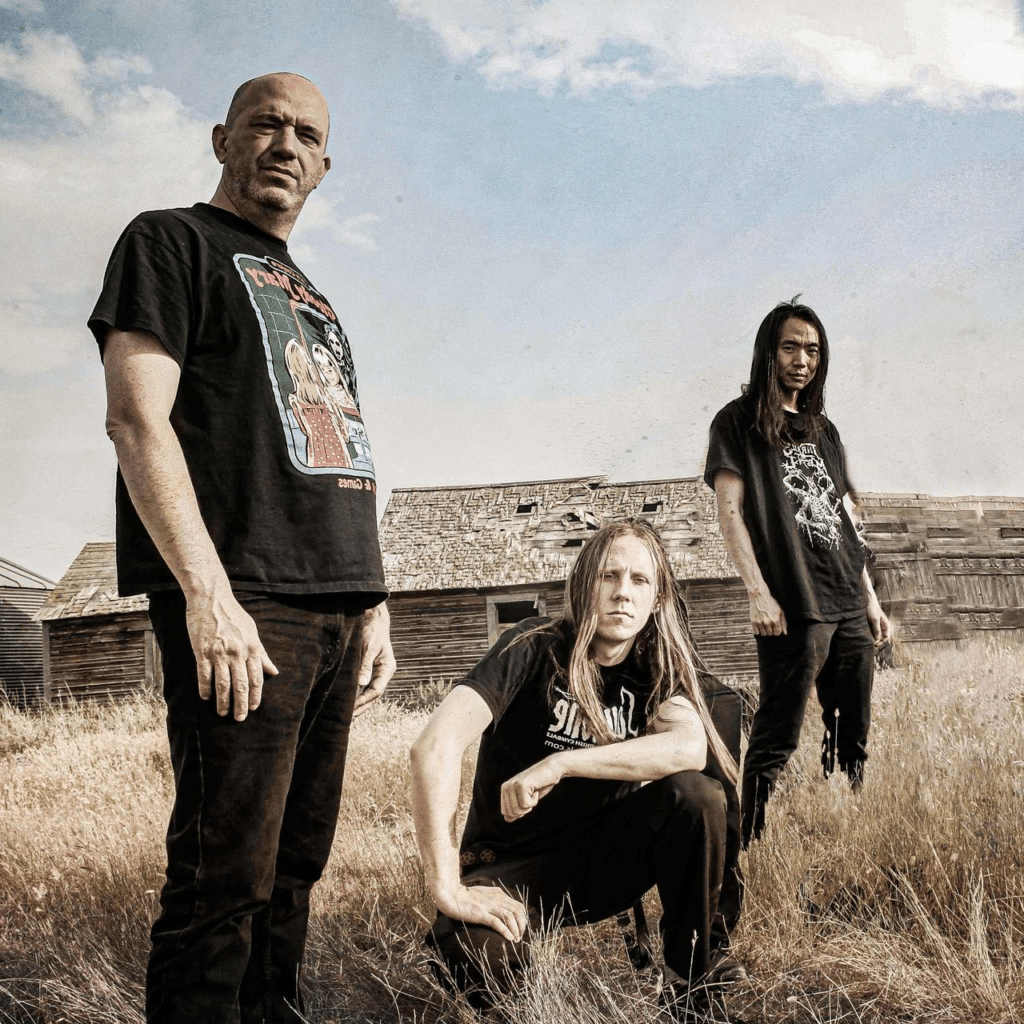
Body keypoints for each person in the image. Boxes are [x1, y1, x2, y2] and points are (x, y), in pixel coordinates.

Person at [89, 72, 395, 1024]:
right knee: (225, 877)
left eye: (307, 134)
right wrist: (206, 597)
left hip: (336, 607)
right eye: (266, 124)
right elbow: (138, 423)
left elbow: (337, 443)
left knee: (295, 871)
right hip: (248, 604)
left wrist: (371, 600)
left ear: (325, 166)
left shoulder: (313, 294)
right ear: (223, 138)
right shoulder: (168, 241)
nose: (286, 145)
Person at [410, 519, 745, 1022]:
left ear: (657, 599)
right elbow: (433, 747)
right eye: (609, 576)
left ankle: (691, 984)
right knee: (478, 964)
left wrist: (563, 763)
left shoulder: (656, 664)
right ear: (583, 582)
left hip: (602, 861)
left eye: (639, 581)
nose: (622, 594)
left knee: (696, 796)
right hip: (510, 868)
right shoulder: (532, 644)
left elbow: (689, 748)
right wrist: (445, 887)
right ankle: (505, 966)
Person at [705, 300, 890, 848]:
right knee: (776, 736)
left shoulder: (824, 430)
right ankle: (748, 845)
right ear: (768, 352)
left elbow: (844, 520)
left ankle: (845, 824)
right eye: (790, 347)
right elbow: (729, 512)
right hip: (794, 603)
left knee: (851, 730)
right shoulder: (736, 422)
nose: (802, 360)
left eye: (812, 350)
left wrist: (872, 600)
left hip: (847, 601)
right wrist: (758, 594)